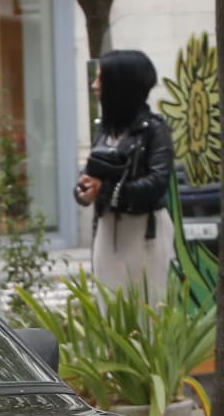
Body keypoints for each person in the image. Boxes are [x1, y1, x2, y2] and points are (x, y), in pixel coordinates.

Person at [74, 50, 176, 286]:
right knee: (107, 307)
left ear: (119, 86)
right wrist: (84, 189)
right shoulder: (104, 130)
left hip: (144, 233)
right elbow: (90, 173)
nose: (93, 86)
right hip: (107, 230)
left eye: (101, 79)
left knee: (145, 311)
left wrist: (105, 190)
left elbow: (157, 183)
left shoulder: (154, 129)